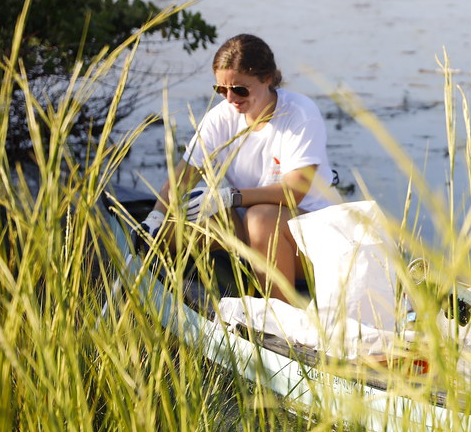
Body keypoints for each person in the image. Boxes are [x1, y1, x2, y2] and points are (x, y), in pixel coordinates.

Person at [137, 34, 337, 301]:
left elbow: (295, 192)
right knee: (174, 227)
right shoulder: (221, 118)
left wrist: (229, 197)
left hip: (309, 242)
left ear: (267, 78)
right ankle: (169, 300)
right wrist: (155, 218)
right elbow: (183, 177)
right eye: (221, 89)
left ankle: (279, 314)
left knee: (260, 217)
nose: (230, 98)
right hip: (250, 233)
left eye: (240, 89)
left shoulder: (300, 113)